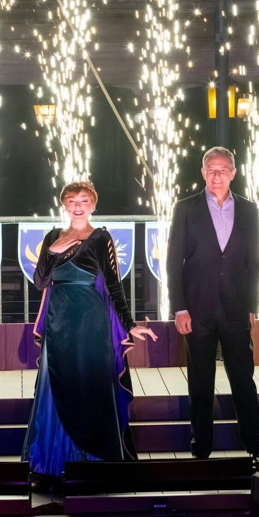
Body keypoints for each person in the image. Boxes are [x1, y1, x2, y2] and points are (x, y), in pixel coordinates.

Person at [23, 181, 157, 475]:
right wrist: (51, 252)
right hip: (58, 320)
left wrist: (130, 325)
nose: (78, 206)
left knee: (91, 386)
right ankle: (55, 461)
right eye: (72, 201)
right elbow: (40, 281)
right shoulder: (52, 237)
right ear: (65, 205)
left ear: (93, 204)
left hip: (90, 323)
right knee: (58, 383)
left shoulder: (101, 238)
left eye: (84, 200)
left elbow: (114, 286)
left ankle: (94, 460)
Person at [167, 147, 259, 471]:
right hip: (196, 309)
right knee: (200, 382)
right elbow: (173, 262)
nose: (217, 175)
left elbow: (254, 261)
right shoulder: (185, 209)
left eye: (223, 169)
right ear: (203, 173)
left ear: (233, 173)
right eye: (212, 169)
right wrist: (179, 308)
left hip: (237, 307)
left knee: (243, 379)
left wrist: (253, 304)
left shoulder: (250, 210)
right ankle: (201, 449)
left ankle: (255, 446)